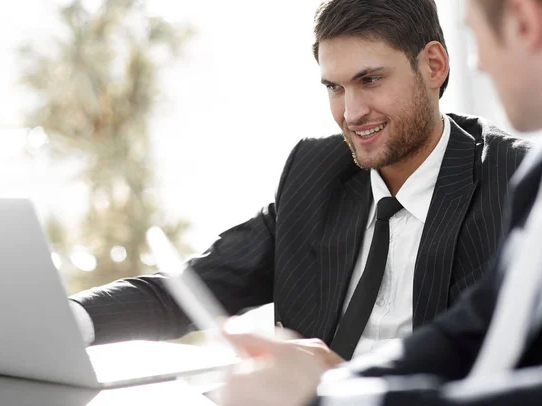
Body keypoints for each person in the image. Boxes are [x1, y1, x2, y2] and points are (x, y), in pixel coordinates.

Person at [0, 0, 531, 374]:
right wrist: (55, 321)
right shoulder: (316, 173)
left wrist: (344, 382)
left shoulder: (513, 182)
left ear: (434, 65)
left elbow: (491, 368)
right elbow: (190, 289)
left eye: (369, 80)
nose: (350, 112)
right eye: (332, 87)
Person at [219, 0, 542, 405]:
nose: (477, 64)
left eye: (370, 79)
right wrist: (331, 385)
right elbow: (471, 329)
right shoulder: (537, 182)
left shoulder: (509, 174)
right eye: (334, 87)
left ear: (525, 23)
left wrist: (334, 398)